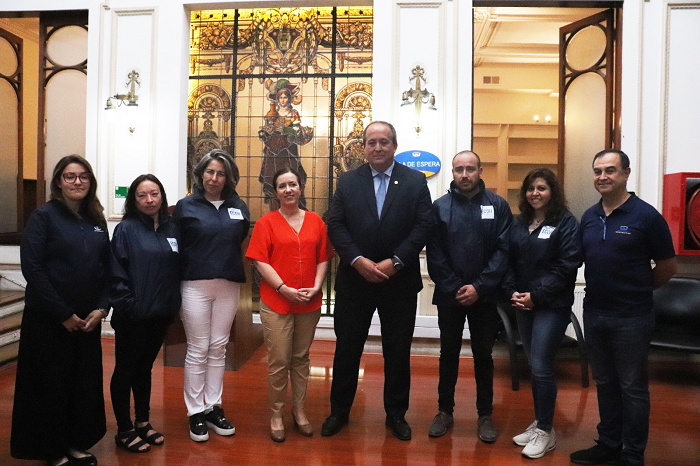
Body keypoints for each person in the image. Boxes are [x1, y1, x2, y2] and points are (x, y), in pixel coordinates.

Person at [322, 120, 433, 441]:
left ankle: (396, 415)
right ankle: (338, 412)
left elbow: (424, 226)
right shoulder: (347, 181)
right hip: (355, 281)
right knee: (347, 350)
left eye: (384, 142)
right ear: (364, 147)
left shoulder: (414, 181)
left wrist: (395, 262)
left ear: (395, 146)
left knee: (397, 352)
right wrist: (357, 260)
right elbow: (336, 224)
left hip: (398, 283)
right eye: (372, 142)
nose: (378, 148)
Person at [570, 149, 677, 466]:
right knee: (604, 382)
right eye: (598, 171)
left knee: (632, 387)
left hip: (632, 316)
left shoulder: (646, 216)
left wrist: (639, 289)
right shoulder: (589, 216)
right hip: (595, 313)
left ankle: (632, 454)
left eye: (610, 170)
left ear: (626, 174)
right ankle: (608, 444)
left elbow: (668, 267)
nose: (603, 176)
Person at [11, 155, 109, 466]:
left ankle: (76, 443)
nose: (77, 182)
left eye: (83, 176)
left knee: (81, 384)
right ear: (58, 182)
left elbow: (107, 269)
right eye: (70, 176)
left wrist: (102, 307)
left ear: (90, 181)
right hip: (50, 320)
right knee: (51, 385)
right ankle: (52, 450)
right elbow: (33, 268)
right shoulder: (43, 217)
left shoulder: (96, 219)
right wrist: (62, 313)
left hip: (87, 321)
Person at [426, 150, 512, 443]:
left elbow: (503, 251)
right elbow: (434, 254)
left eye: (470, 169)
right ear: (452, 172)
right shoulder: (439, 208)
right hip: (450, 296)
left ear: (480, 171)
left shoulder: (497, 206)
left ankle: (485, 414)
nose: (464, 174)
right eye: (459, 169)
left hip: (485, 297)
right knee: (448, 353)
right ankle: (444, 411)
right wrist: (455, 287)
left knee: (483, 356)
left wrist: (479, 287)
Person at [246, 167, 334, 443]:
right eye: (282, 186)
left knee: (300, 358)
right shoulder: (266, 223)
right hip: (277, 301)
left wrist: (318, 285)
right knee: (279, 360)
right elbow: (260, 260)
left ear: (301, 187)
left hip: (308, 301)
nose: (288, 190)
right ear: (276, 192)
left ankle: (300, 410)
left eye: (292, 184)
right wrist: (284, 289)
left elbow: (323, 256)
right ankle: (276, 414)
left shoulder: (316, 221)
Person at [502, 168, 582, 459]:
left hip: (551, 306)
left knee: (541, 365)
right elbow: (508, 259)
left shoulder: (566, 223)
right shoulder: (519, 222)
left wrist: (536, 296)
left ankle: (547, 432)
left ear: (553, 192)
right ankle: (539, 423)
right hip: (523, 303)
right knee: (535, 368)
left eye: (542, 188)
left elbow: (567, 266)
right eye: (530, 188)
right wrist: (512, 292)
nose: (535, 193)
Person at [173, 149, 250, 442]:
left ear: (228, 178)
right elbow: (177, 242)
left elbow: (238, 238)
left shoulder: (238, 206)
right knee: (198, 348)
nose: (214, 178)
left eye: (221, 173)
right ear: (201, 174)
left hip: (228, 284)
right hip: (194, 285)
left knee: (218, 347)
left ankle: (212, 406)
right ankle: (195, 411)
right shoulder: (185, 206)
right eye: (210, 172)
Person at [109, 174, 181, 453]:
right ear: (133, 200)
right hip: (132, 316)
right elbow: (116, 273)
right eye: (142, 195)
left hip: (160, 315)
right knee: (125, 370)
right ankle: (124, 429)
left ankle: (143, 422)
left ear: (162, 196)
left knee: (145, 369)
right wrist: (129, 305)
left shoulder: (171, 228)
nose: (149, 200)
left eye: (154, 194)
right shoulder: (125, 229)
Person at [258, 79, 313, 210]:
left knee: (293, 176)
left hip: (289, 151)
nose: (283, 100)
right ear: (277, 99)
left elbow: (296, 130)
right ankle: (274, 212)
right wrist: (265, 133)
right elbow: (265, 133)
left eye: (285, 97)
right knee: (272, 180)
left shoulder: (294, 114)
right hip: (273, 152)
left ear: (289, 99)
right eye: (280, 97)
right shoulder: (271, 114)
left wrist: (290, 131)